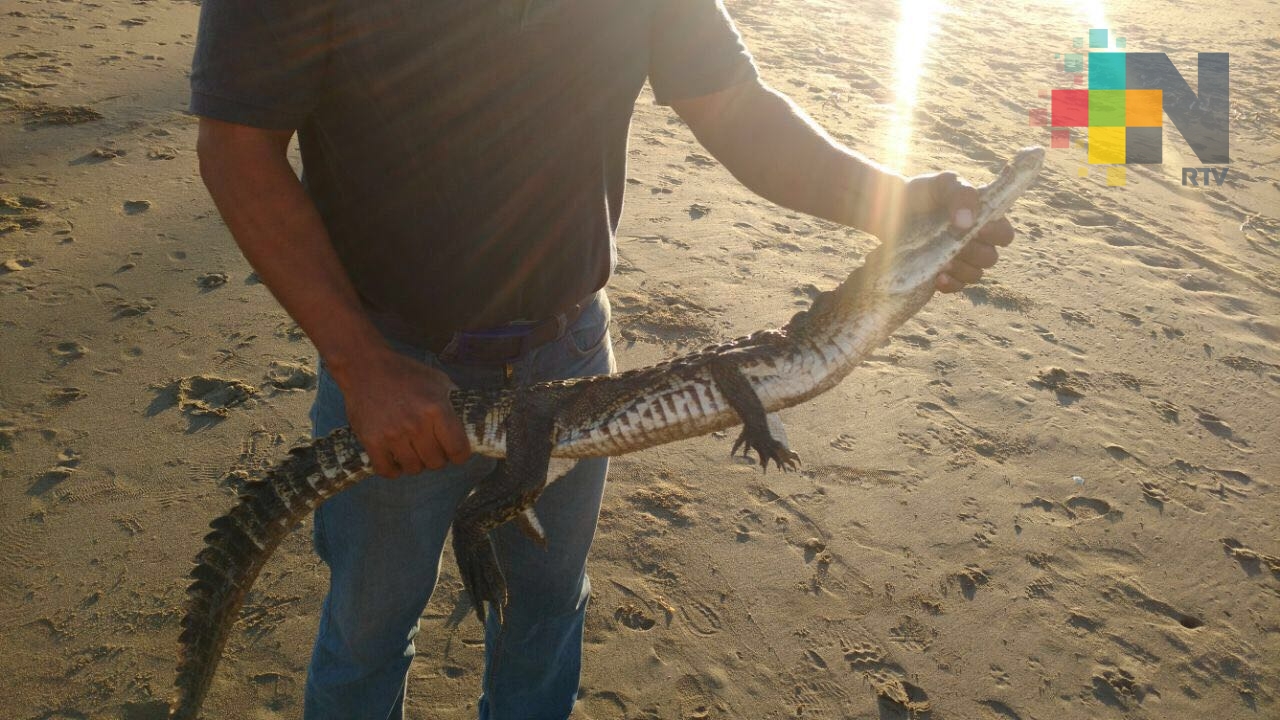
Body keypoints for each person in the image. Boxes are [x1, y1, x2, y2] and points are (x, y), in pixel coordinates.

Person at [190, 1, 1015, 718]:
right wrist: (361, 363)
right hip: (393, 360)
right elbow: (237, 146)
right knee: (369, 629)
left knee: (545, 611)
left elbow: (733, 108)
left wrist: (896, 203)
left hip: (571, 350)